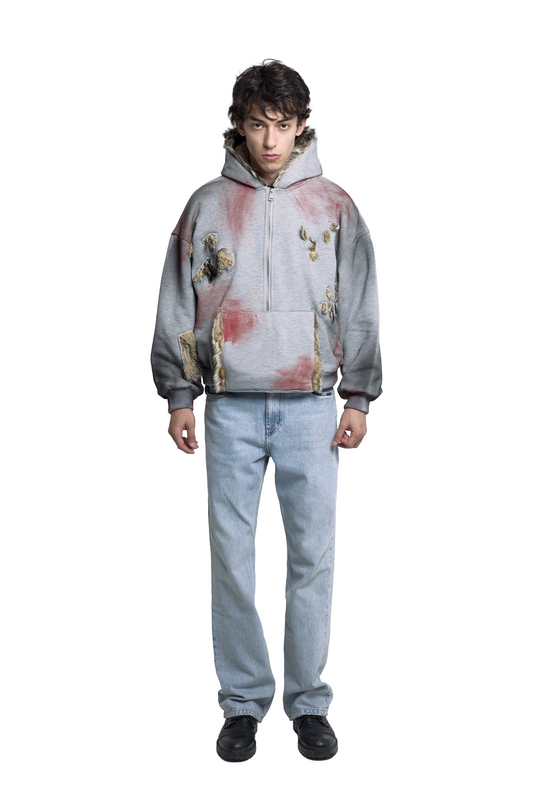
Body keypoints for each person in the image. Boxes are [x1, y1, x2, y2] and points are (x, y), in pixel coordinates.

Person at [151, 59, 382, 762]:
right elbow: (178, 299)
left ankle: (308, 703)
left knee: (312, 559)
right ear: (239, 126)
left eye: (282, 125)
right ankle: (243, 703)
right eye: (257, 125)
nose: (271, 140)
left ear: (301, 125)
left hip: (312, 407)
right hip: (230, 409)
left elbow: (360, 300)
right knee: (232, 559)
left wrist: (358, 394)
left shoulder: (334, 205)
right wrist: (180, 393)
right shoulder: (206, 205)